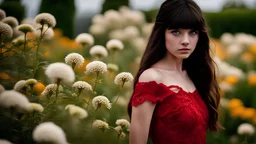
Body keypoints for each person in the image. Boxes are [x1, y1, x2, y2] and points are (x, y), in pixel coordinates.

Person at [128, 0, 223, 143]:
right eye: (176, 32)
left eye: (193, 32)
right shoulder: (151, 78)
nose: (186, 41)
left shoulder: (192, 74)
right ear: (162, 33)